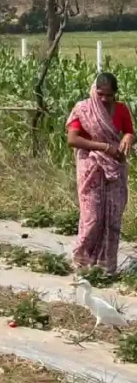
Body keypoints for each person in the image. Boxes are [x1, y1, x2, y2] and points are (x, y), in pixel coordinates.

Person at [66, 72, 134, 273]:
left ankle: (105, 267)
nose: (104, 99)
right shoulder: (84, 109)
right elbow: (73, 139)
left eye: (109, 95)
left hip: (115, 166)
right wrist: (105, 147)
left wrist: (129, 137)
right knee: (92, 217)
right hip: (91, 166)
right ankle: (82, 262)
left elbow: (129, 131)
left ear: (115, 94)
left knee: (113, 217)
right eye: (100, 94)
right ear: (94, 91)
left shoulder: (121, 110)